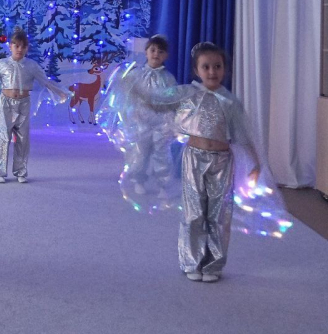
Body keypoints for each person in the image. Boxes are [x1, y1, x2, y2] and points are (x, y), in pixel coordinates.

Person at [144, 42, 291, 282]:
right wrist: (133, 89)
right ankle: (191, 261)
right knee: (194, 211)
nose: (212, 71)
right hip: (194, 158)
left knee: (219, 213)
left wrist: (256, 164)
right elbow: (158, 101)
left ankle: (213, 265)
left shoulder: (230, 102)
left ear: (225, 69)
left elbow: (243, 135)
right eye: (206, 67)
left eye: (217, 66)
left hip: (222, 162)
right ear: (197, 70)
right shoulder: (188, 94)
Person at [0, 27, 69, 184]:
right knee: (2, 137)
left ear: (27, 48)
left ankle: (20, 171)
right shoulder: (2, 64)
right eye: (16, 46)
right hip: (6, 104)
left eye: (23, 46)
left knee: (23, 139)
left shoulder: (31, 66)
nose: (19, 49)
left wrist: (59, 92)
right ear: (10, 46)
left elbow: (45, 81)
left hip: (23, 104)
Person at [100, 35, 179, 206]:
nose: (156, 54)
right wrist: (129, 115)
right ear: (146, 52)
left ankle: (163, 184)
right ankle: (139, 179)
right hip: (141, 121)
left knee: (162, 154)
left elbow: (173, 99)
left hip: (162, 122)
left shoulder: (168, 78)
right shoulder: (136, 74)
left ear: (166, 56)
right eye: (153, 50)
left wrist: (172, 121)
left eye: (160, 51)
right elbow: (127, 94)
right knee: (140, 153)